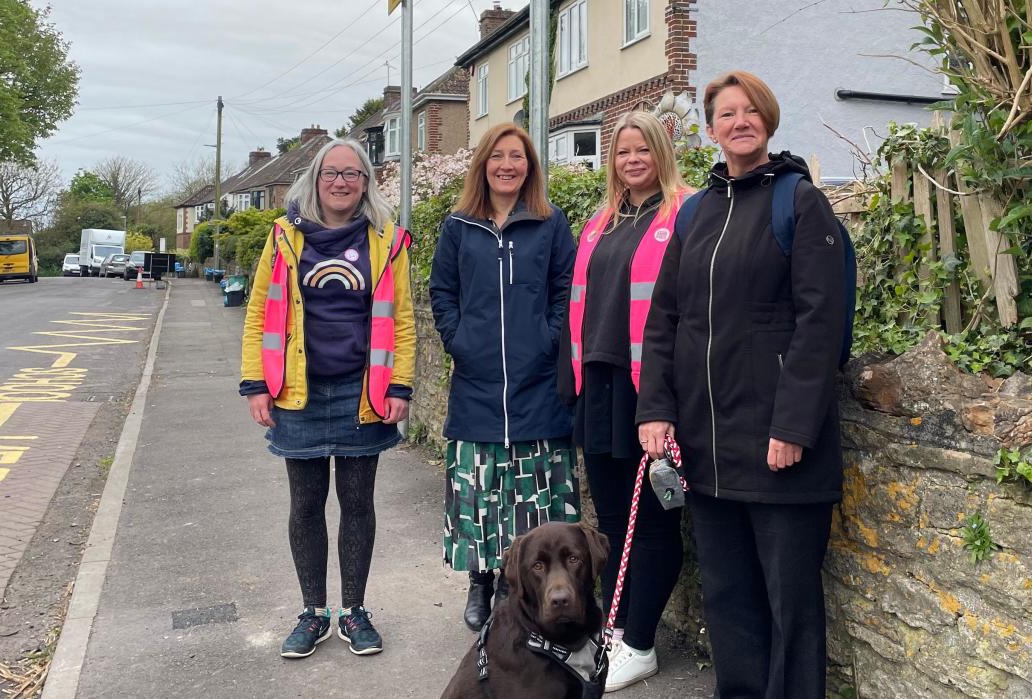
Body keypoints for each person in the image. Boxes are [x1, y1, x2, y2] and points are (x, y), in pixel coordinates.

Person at [635, 70, 848, 698]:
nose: (740, 122)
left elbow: (820, 323)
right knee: (727, 598)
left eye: (751, 111)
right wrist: (656, 409)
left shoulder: (800, 202)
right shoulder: (696, 211)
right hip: (705, 447)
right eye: (727, 114)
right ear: (710, 130)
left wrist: (792, 427)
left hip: (778, 447)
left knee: (791, 607)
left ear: (769, 120)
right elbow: (665, 318)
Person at [239, 138, 415, 659]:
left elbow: (402, 320)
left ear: (366, 182)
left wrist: (400, 385)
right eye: (331, 173)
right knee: (306, 505)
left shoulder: (388, 240)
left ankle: (354, 611)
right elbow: (258, 313)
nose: (341, 182)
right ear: (315, 179)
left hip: (364, 393)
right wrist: (255, 383)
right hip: (298, 393)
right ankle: (313, 612)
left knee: (358, 504)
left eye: (353, 173)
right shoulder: (284, 237)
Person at [558, 110, 693, 692]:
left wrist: (666, 396)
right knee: (613, 523)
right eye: (621, 152)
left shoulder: (687, 211)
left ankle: (640, 642)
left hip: (653, 388)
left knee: (658, 523)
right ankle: (615, 631)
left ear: (661, 151)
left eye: (642, 150)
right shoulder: (602, 221)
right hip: (601, 383)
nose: (631, 160)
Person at [429, 122, 578, 633]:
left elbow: (566, 290)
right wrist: (460, 341)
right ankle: (482, 581)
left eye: (517, 157)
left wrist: (547, 339)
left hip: (539, 385)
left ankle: (533, 591)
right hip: (477, 384)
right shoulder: (458, 226)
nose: (507, 165)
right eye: (498, 156)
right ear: (483, 165)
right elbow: (441, 293)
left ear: (530, 167)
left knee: (534, 492)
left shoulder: (550, 223)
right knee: (482, 490)